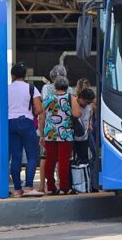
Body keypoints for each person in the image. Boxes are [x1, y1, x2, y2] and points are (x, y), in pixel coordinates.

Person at [7, 62, 45, 197]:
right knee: (32, 155)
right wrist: (32, 113)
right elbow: (39, 108)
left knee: (16, 157)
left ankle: (17, 189)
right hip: (26, 122)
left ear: (12, 75)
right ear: (25, 75)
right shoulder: (31, 88)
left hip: (10, 123)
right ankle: (29, 187)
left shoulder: (7, 89)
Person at [43, 75, 81, 195]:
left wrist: (41, 134)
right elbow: (76, 114)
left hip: (50, 133)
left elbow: (42, 117)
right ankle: (64, 187)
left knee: (50, 160)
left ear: (55, 85)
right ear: (67, 86)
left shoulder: (48, 98)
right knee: (63, 160)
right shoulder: (71, 98)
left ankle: (51, 186)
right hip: (65, 133)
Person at [73, 88, 95, 165]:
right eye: (87, 102)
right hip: (73, 137)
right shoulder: (74, 104)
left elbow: (90, 116)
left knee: (84, 160)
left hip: (84, 137)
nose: (88, 104)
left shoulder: (89, 107)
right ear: (81, 98)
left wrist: (90, 124)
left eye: (90, 102)